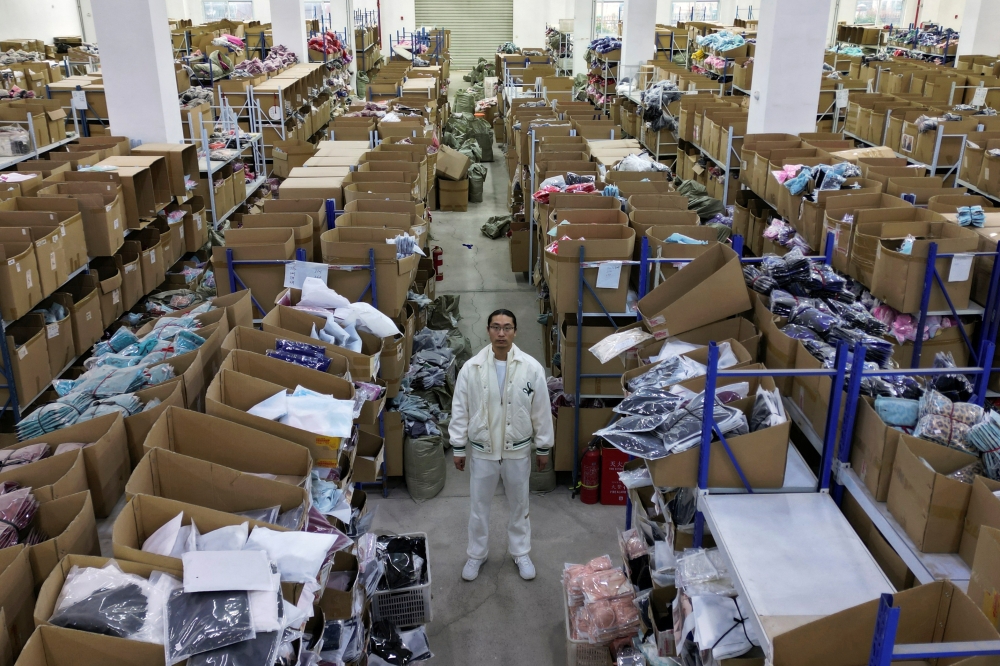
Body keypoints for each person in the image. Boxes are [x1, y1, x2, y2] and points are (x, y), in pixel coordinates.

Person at [449, 309, 555, 582]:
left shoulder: (531, 368)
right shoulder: (471, 368)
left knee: (520, 505)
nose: (501, 333)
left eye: (507, 327)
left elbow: (541, 410)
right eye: (496, 327)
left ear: (515, 332)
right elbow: (460, 409)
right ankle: (477, 555)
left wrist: (543, 446)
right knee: (479, 507)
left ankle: (520, 552)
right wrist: (458, 446)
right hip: (483, 451)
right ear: (488, 331)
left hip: (517, 450)